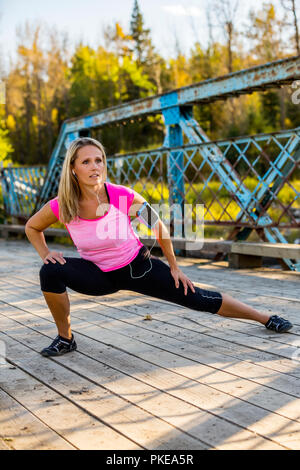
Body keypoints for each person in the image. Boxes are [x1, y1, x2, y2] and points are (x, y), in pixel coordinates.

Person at [25, 137, 293, 357]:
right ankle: (66, 338)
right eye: (86, 162)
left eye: (99, 160)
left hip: (137, 267)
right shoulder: (62, 204)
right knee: (49, 271)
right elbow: (32, 227)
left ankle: (265, 317)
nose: (95, 167)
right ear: (73, 168)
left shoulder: (121, 195)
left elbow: (158, 226)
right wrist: (46, 253)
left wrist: (175, 266)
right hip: (97, 275)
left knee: (198, 298)